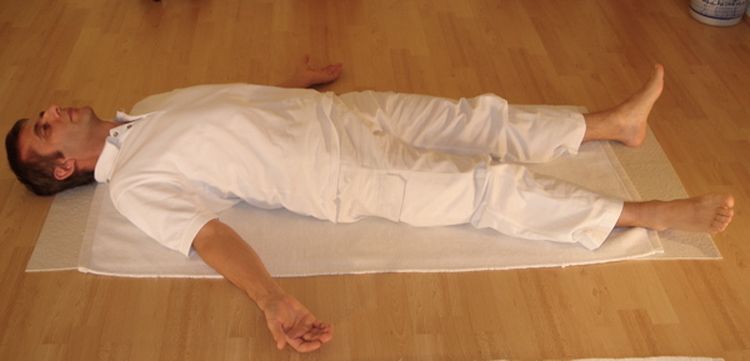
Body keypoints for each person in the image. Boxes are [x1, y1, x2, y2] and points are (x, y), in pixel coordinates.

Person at [4, 58, 735, 353]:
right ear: (64, 164)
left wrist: (299, 83)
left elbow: (230, 105)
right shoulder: (133, 183)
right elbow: (209, 232)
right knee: (481, 190)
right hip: (339, 171)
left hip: (340, 115)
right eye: (46, 126)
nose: (57, 110)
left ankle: (610, 125)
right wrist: (271, 298)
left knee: (471, 117)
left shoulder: (143, 113)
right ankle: (645, 214)